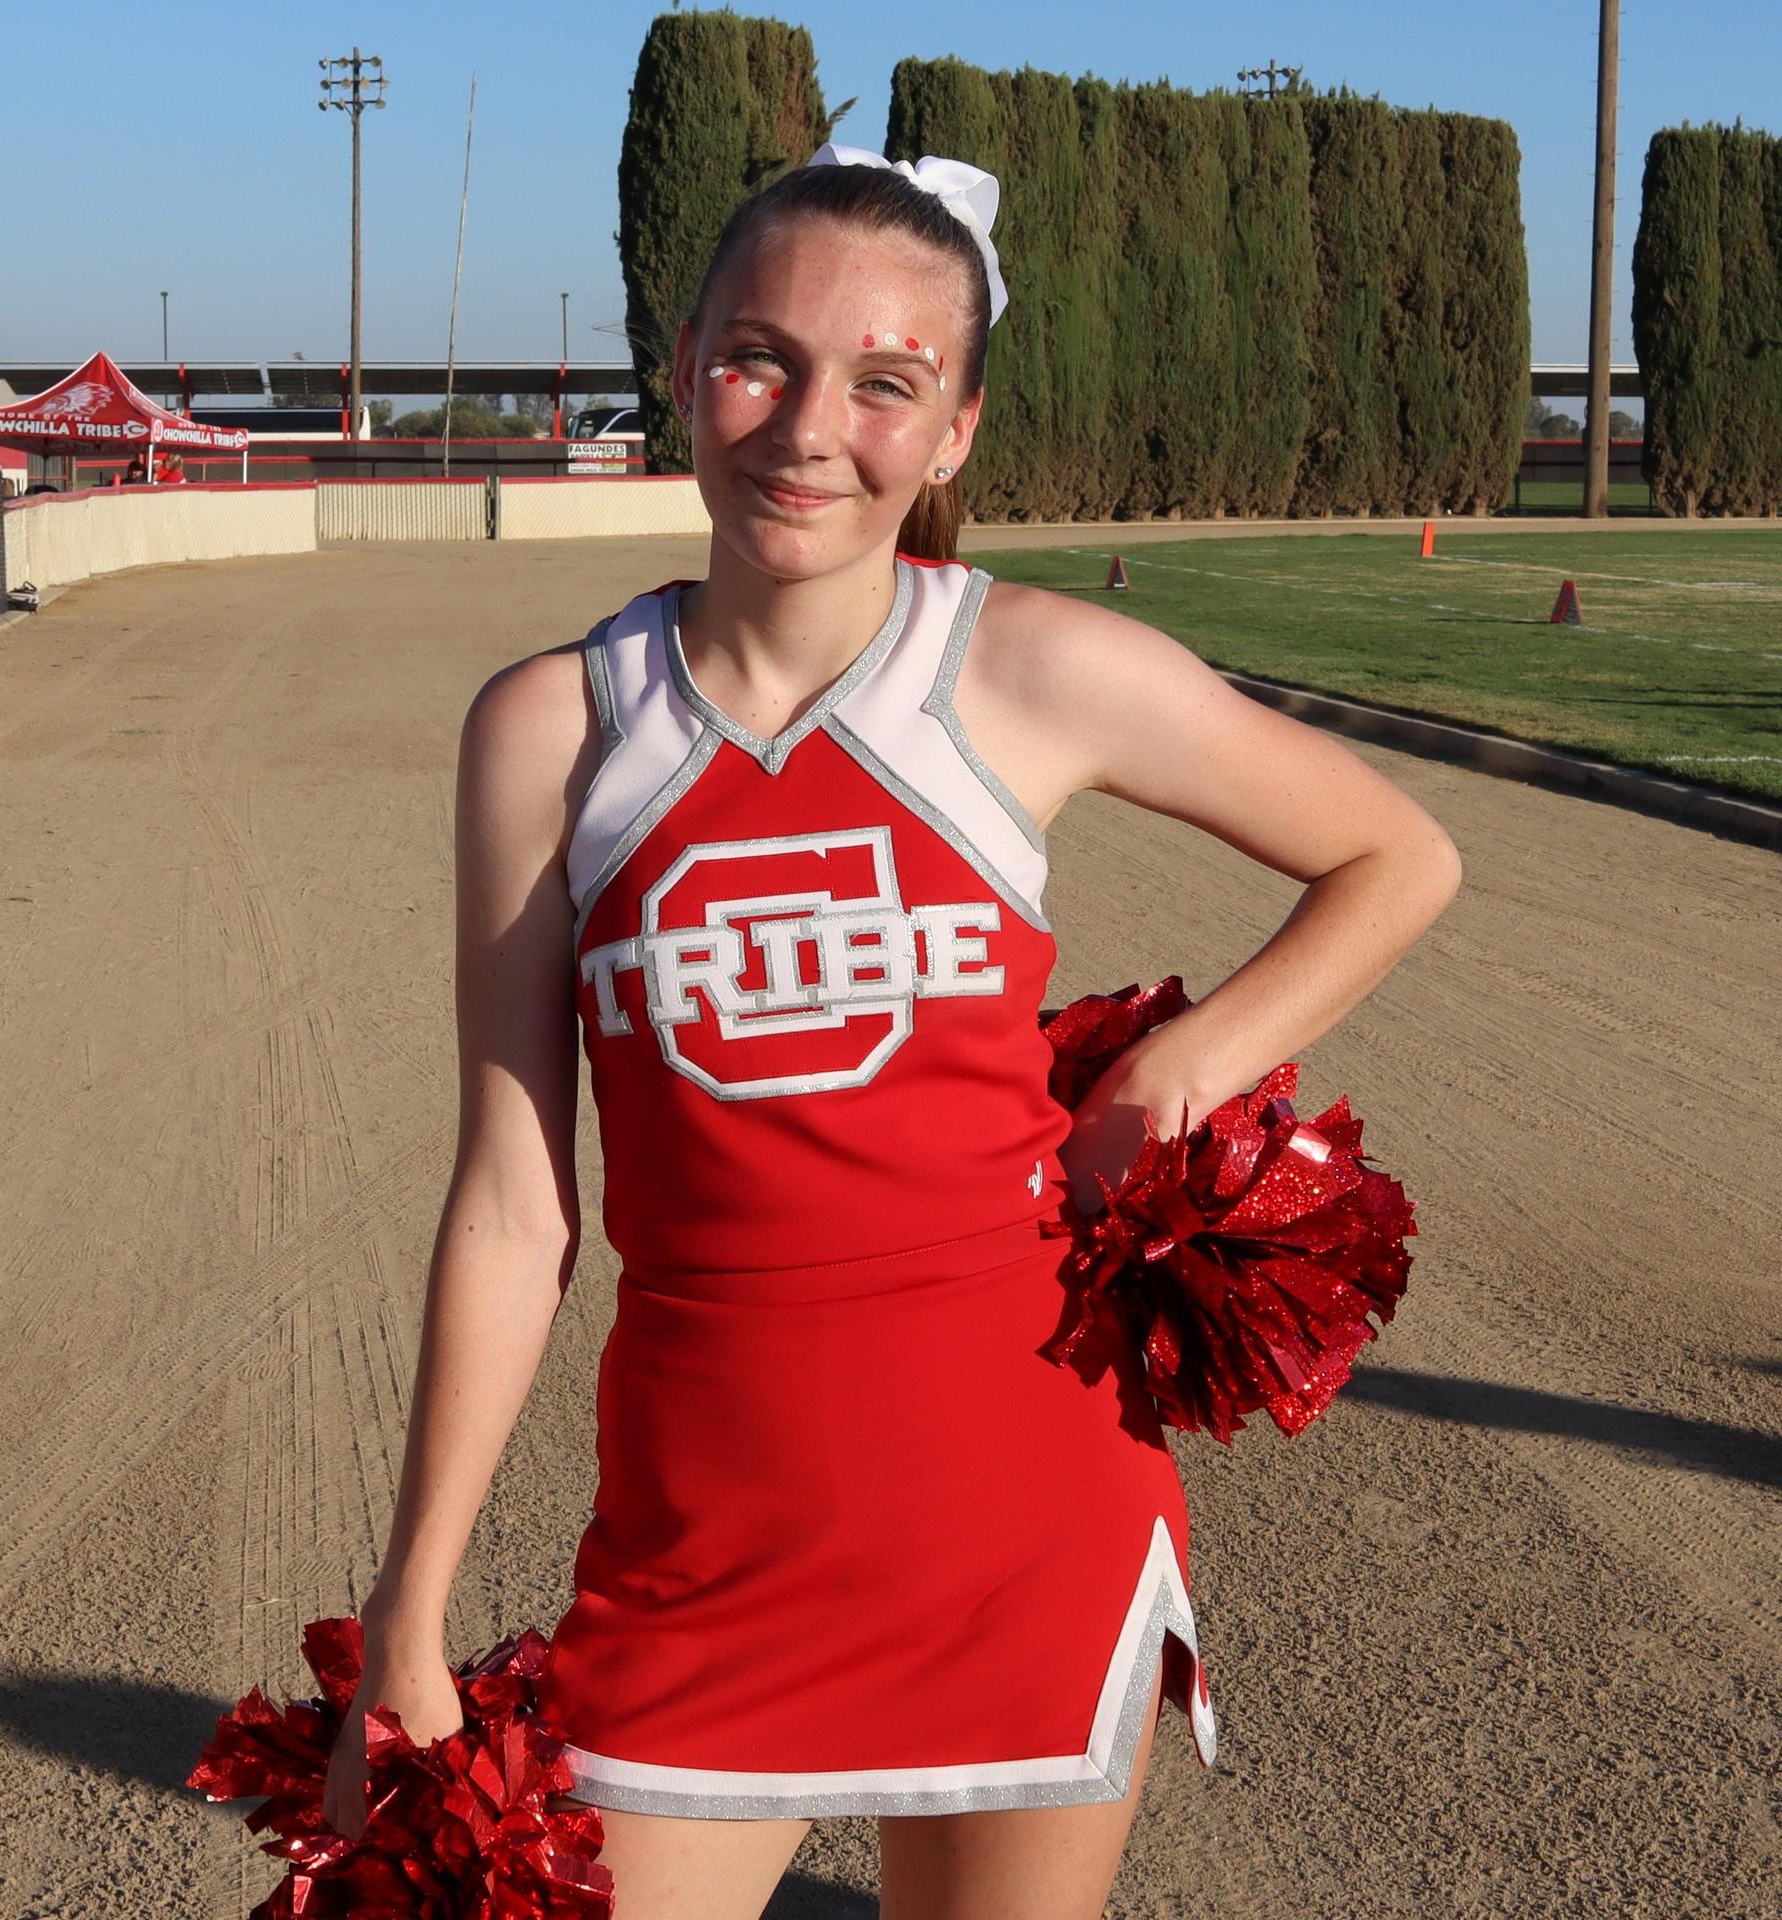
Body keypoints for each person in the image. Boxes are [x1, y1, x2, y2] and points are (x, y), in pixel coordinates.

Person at [319, 146, 1462, 1918]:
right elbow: (510, 1203)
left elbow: (1399, 852)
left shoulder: (1029, 674)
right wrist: (411, 1607)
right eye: (763, 357)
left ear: (955, 434)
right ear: (687, 360)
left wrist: (1179, 1066)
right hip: (696, 1564)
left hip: (1024, 1526)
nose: (807, 426)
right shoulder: (552, 731)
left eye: (886, 382)